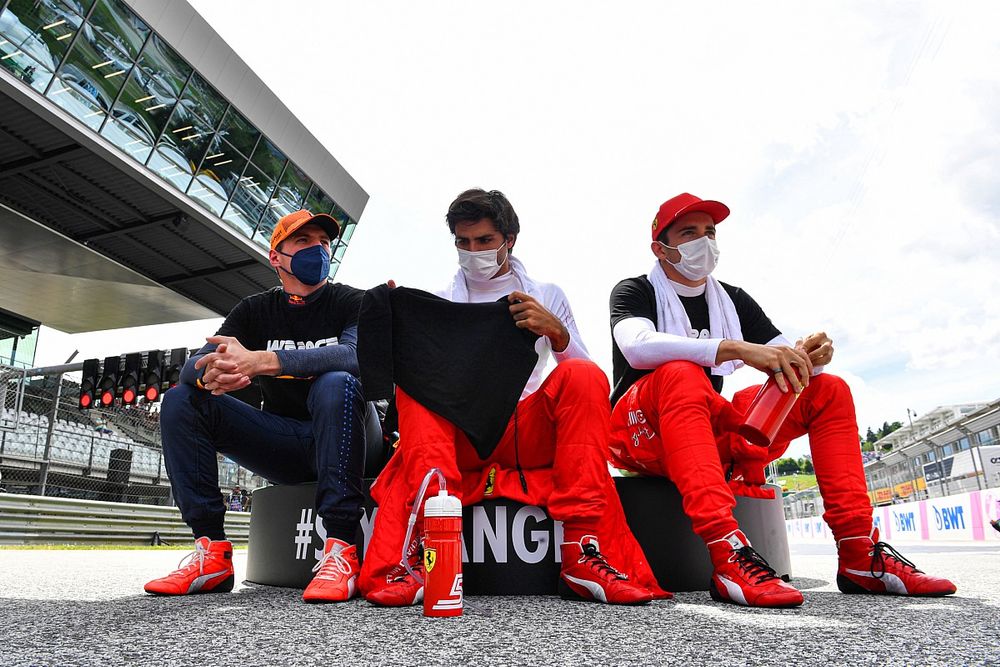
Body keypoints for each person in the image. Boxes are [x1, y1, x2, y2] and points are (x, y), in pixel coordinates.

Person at [608, 192, 957, 608]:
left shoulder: (732, 299)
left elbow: (782, 358)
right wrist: (737, 348)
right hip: (640, 431)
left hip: (701, 427)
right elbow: (637, 346)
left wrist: (810, 357)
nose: (705, 242)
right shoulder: (634, 289)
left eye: (710, 232)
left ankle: (859, 551)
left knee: (828, 390)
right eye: (689, 233)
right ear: (660, 248)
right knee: (682, 374)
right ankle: (726, 552)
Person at [358, 188, 663, 606]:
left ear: (509, 239)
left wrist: (557, 333)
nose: (473, 251)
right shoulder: (441, 300)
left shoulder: (547, 293)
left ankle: (582, 551)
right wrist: (394, 318)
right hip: (463, 435)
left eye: (483, 241)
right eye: (462, 243)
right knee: (417, 385)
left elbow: (589, 379)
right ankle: (431, 553)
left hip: (525, 430)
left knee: (582, 374)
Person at [144, 210, 367, 603]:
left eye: (324, 242)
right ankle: (211, 552)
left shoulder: (353, 301)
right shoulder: (254, 308)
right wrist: (212, 375)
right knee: (182, 399)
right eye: (304, 242)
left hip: (352, 436)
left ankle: (340, 550)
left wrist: (263, 361)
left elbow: (354, 356)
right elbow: (192, 367)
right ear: (276, 257)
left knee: (335, 381)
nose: (318, 249)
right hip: (286, 442)